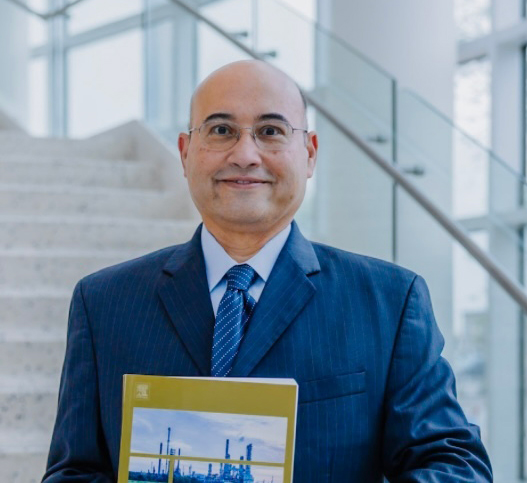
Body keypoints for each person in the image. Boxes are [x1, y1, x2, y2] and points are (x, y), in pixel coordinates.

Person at [42, 60, 492, 482]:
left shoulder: (390, 302)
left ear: (309, 153)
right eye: (221, 130)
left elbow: (454, 464)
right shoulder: (104, 303)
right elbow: (74, 471)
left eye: (270, 131)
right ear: (185, 152)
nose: (245, 155)